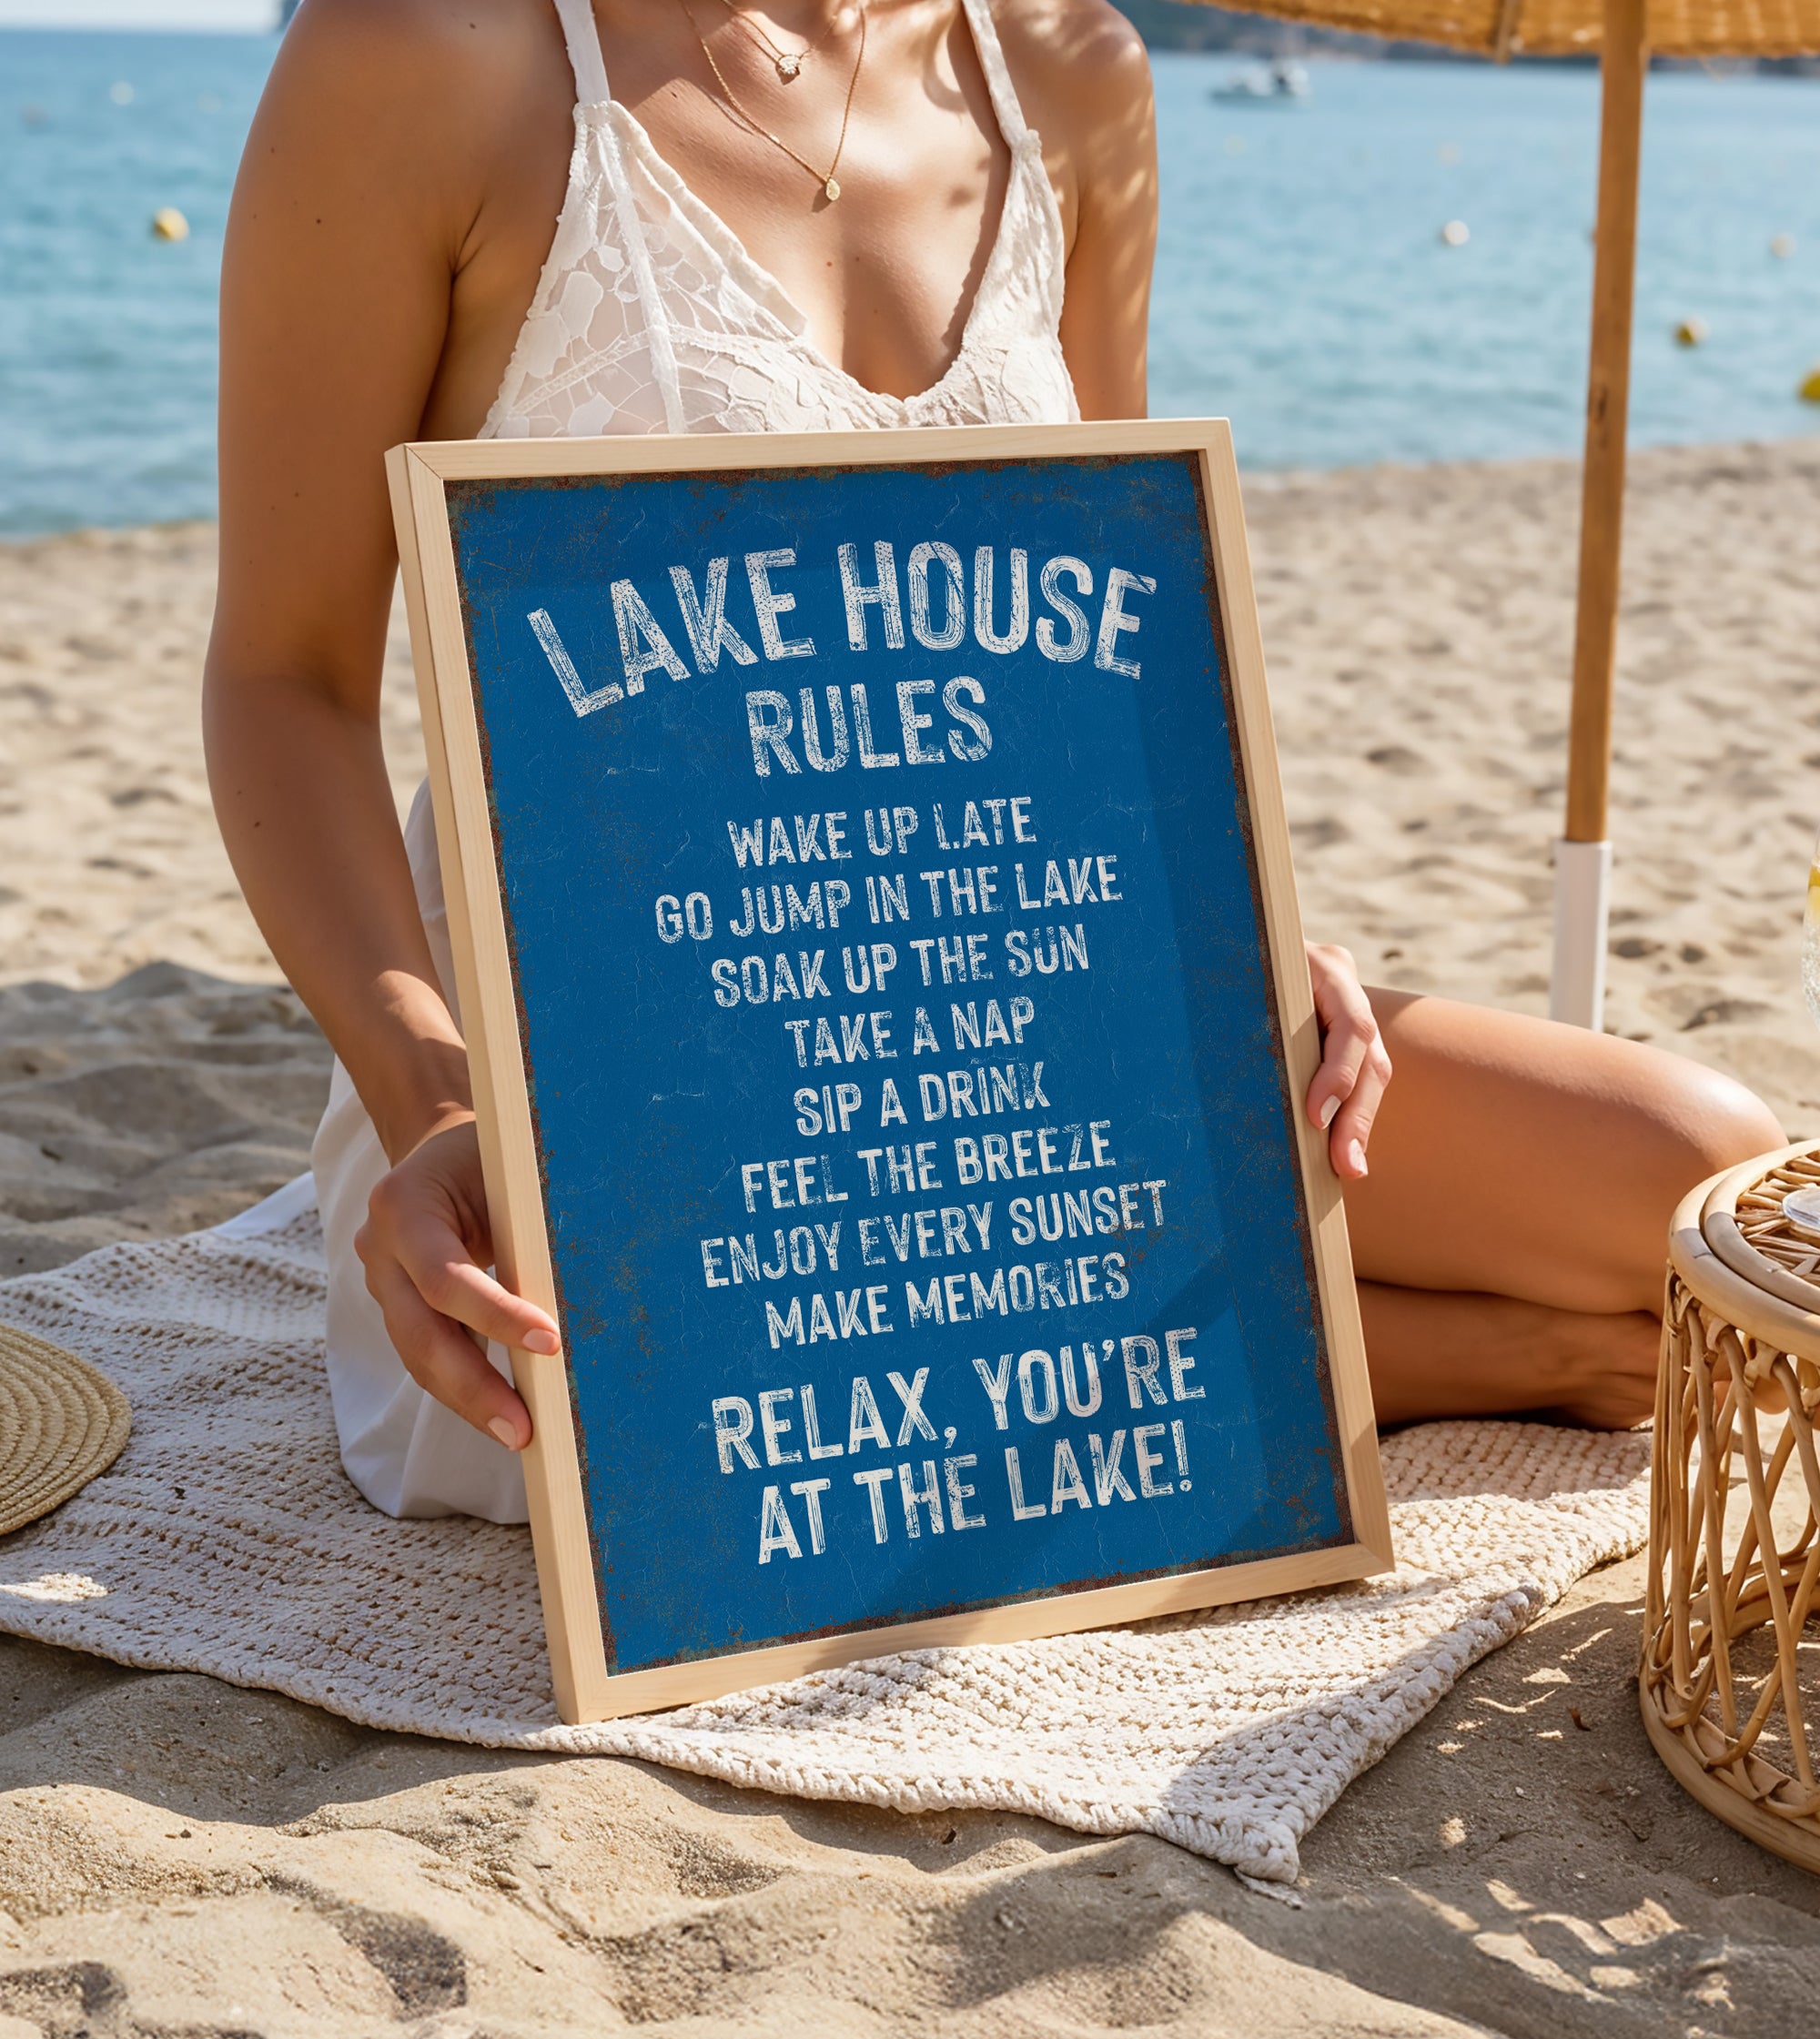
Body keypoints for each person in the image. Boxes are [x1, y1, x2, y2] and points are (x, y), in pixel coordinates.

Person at [205, 0, 1784, 1525]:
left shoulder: (1068, 63)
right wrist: (433, 1105)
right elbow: (291, 678)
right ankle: (1463, 1357)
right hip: (612, 1040)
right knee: (682, 1392)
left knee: (1699, 1182)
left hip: (1018, 970)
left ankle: (1311, 1339)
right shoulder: (419, 54)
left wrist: (1219, 889)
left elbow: (1112, 616)